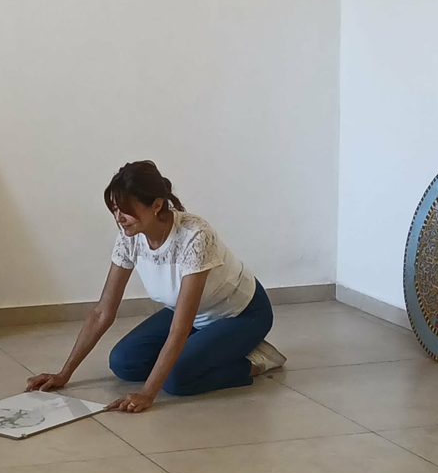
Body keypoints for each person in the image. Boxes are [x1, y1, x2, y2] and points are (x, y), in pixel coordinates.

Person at [27, 160, 287, 413]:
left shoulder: (194, 235)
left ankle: (257, 360)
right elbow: (102, 312)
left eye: (126, 209)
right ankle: (206, 349)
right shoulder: (129, 237)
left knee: (177, 380)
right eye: (115, 209)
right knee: (124, 363)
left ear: (157, 206)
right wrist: (64, 374)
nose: (120, 218)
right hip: (192, 314)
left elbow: (180, 327)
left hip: (240, 313)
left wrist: (147, 393)